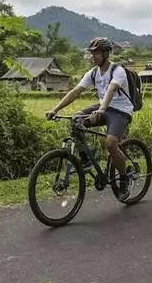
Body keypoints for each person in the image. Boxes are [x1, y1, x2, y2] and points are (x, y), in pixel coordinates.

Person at [46, 37, 133, 200]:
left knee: (111, 143)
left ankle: (124, 178)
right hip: (103, 108)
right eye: (91, 53)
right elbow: (75, 92)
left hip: (120, 111)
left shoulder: (117, 71)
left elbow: (111, 90)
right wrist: (55, 109)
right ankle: (85, 159)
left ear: (106, 54)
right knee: (76, 119)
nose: (92, 57)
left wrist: (101, 109)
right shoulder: (93, 73)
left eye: (96, 53)